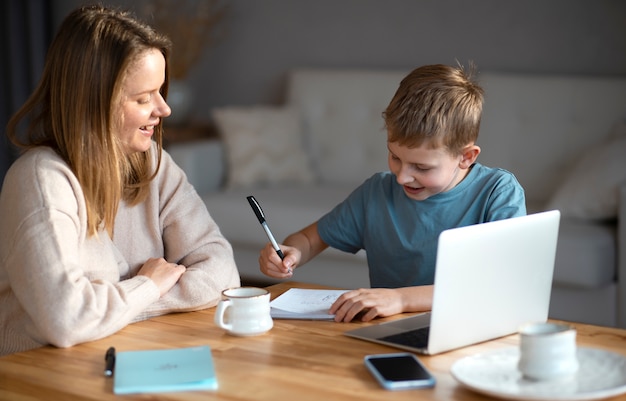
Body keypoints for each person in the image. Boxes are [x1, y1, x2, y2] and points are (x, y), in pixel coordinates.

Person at [0, 5, 240, 356]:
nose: (163, 109)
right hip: (40, 373)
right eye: (143, 98)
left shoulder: (155, 164)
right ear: (94, 101)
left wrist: (118, 305)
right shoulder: (40, 181)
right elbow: (66, 319)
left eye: (160, 91)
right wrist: (147, 284)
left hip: (124, 352)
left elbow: (222, 272)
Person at [259, 63, 526, 323]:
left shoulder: (497, 193)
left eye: (421, 167)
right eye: (394, 157)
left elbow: (498, 284)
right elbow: (310, 238)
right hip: (388, 331)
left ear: (465, 157)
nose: (402, 177)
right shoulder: (376, 193)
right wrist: (291, 252)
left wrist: (400, 299)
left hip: (472, 330)